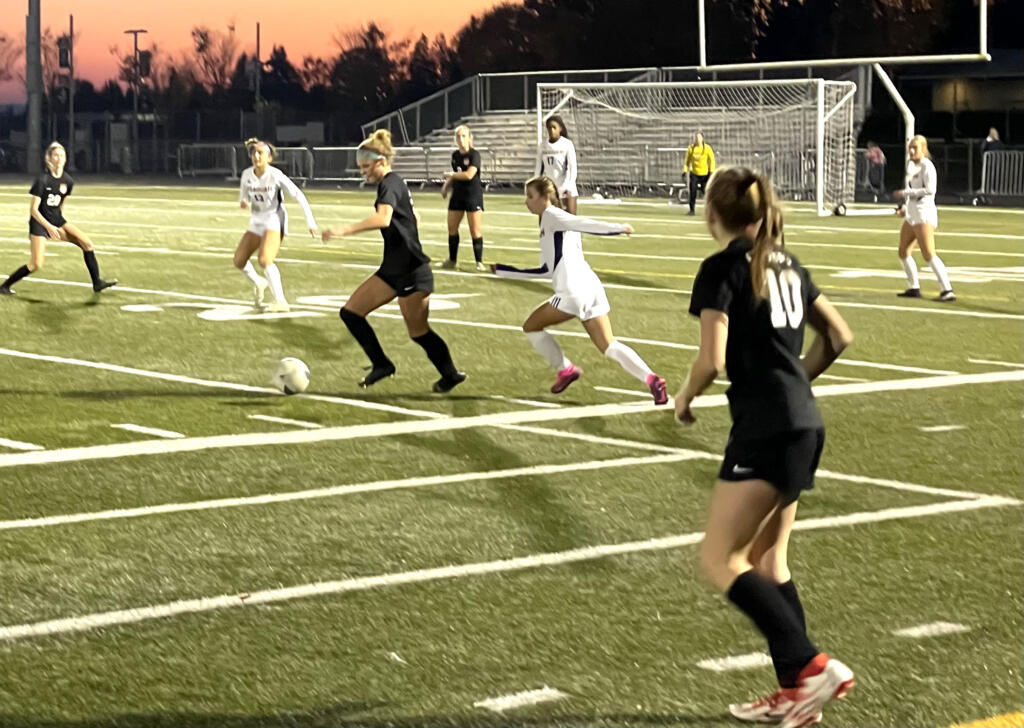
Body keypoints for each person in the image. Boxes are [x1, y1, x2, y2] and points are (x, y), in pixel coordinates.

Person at [675, 167, 855, 728]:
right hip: (804, 424)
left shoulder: (723, 268)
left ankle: (810, 666)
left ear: (715, 215)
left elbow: (712, 360)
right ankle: (797, 694)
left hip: (766, 428)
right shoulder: (789, 263)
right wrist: (796, 380)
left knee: (720, 558)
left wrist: (683, 398)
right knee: (769, 560)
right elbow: (840, 336)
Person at [491, 175, 667, 405]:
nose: (527, 201)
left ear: (545, 198)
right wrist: (505, 270)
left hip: (572, 292)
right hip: (591, 288)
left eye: (530, 196)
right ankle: (652, 379)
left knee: (531, 326)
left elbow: (584, 223)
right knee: (609, 345)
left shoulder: (553, 215)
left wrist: (617, 229)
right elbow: (546, 269)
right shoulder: (548, 223)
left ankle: (565, 369)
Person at [322, 129, 466, 393]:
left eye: (366, 166)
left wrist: (344, 229)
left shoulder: (390, 182)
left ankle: (450, 374)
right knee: (351, 313)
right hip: (393, 268)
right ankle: (382, 364)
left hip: (412, 270)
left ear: (380, 161)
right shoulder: (394, 183)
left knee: (418, 332)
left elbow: (383, 218)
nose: (363, 172)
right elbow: (411, 216)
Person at [0, 141, 117, 296]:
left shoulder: (68, 181)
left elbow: (61, 205)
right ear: (49, 158)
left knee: (87, 244)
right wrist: (48, 228)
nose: (59, 158)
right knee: (36, 264)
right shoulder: (42, 180)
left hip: (57, 221)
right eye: (56, 155)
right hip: (39, 223)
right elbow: (33, 210)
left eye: (62, 155)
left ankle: (97, 283)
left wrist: (59, 225)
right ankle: (4, 286)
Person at [234, 138, 318, 313]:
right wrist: (244, 202)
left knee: (265, 259)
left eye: (260, 153)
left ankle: (281, 301)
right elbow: (244, 197)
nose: (256, 156)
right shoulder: (247, 175)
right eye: (253, 153)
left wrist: (310, 221)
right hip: (256, 221)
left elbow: (298, 195)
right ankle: (259, 282)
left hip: (274, 219)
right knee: (239, 260)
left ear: (269, 158)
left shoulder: (275, 175)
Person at [893, 135, 955, 302]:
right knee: (903, 251)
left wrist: (907, 193)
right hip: (912, 215)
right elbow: (910, 188)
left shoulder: (928, 166)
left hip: (924, 214)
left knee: (929, 254)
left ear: (923, 149)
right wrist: (905, 207)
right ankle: (914, 287)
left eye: (916, 147)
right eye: (910, 147)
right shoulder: (910, 165)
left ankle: (947, 290)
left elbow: (930, 190)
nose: (912, 150)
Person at [439, 125, 486, 271]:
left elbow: (469, 175)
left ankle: (479, 262)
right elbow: (456, 174)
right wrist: (446, 185)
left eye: (464, 136)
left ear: (469, 138)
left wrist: (450, 175)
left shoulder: (474, 155)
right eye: (458, 136)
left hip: (473, 195)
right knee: (452, 228)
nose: (461, 139)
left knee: (475, 230)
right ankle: (452, 260)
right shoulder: (455, 156)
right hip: (458, 195)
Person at [535, 115, 579, 214]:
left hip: (566, 188)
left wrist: (569, 187)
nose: (551, 130)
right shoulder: (542, 146)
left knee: (570, 222)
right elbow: (538, 168)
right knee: (547, 222)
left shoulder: (567, 144)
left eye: (554, 127)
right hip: (550, 189)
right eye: (549, 128)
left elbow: (572, 167)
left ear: (560, 128)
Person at [684, 131, 716, 216]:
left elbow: (712, 160)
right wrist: (684, 170)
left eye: (699, 137)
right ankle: (692, 210)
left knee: (706, 192)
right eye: (696, 137)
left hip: (704, 174)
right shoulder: (691, 148)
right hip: (694, 173)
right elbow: (687, 161)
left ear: (702, 139)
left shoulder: (707, 148)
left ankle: (711, 211)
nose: (697, 139)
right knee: (693, 191)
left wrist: (711, 171)